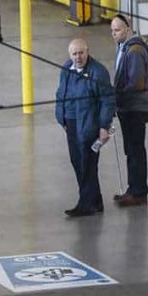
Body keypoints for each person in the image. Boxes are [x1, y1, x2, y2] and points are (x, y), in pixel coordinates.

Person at [55, 38, 115, 217]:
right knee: (77, 162)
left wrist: (104, 126)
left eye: (81, 53)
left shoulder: (98, 72)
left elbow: (107, 100)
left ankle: (85, 203)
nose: (78, 57)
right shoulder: (66, 69)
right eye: (74, 54)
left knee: (87, 163)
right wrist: (62, 118)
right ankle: (95, 201)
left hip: (90, 124)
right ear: (70, 55)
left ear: (87, 52)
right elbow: (61, 93)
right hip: (71, 124)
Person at [109, 14, 148, 206]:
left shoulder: (134, 50)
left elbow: (135, 82)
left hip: (134, 108)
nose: (114, 34)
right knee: (131, 149)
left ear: (128, 29)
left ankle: (138, 192)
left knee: (136, 149)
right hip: (127, 107)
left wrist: (116, 96)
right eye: (112, 31)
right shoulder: (124, 47)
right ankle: (132, 188)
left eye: (117, 30)